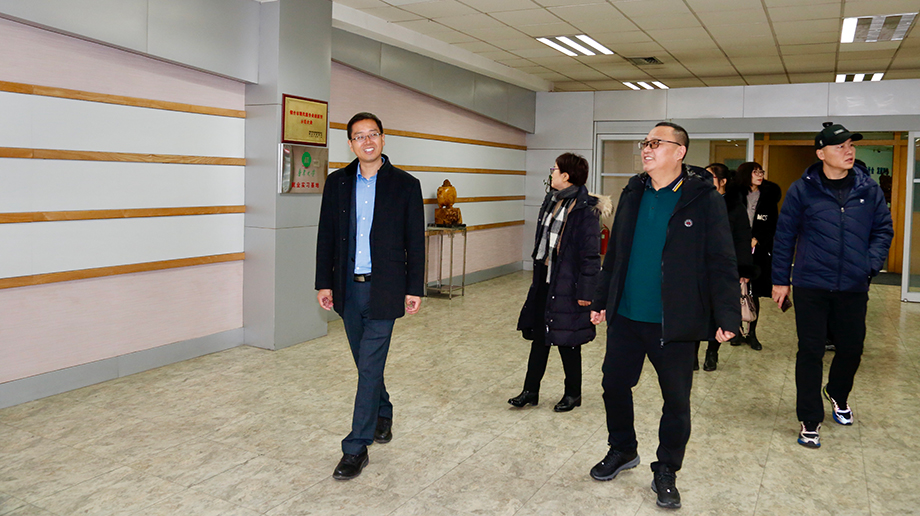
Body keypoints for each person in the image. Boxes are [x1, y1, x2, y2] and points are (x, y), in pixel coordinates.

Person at [588, 122, 740, 509]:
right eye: (645, 142)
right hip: (626, 314)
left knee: (676, 400)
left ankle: (667, 469)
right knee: (613, 385)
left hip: (674, 321)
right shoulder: (633, 191)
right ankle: (623, 448)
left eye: (657, 143)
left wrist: (727, 314)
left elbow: (722, 260)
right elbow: (616, 253)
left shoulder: (702, 198)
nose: (647, 148)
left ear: (680, 151)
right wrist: (602, 298)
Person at [315, 112, 425, 480]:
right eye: (359, 136)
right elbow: (326, 236)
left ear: (383, 139)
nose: (367, 141)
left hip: (385, 288)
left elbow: (415, 242)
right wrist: (324, 282)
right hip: (347, 288)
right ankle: (383, 411)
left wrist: (414, 288)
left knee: (368, 366)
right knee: (366, 364)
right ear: (350, 144)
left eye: (373, 134)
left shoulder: (405, 185)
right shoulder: (337, 183)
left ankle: (355, 447)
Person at [772, 122, 892, 449]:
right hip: (812, 283)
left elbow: (883, 229)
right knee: (810, 351)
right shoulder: (802, 190)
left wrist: (869, 265)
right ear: (821, 154)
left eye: (851, 145)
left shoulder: (868, 189)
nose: (849, 151)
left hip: (853, 284)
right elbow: (784, 236)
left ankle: (837, 392)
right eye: (840, 147)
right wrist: (780, 280)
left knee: (852, 349)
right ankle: (810, 418)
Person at [510, 153, 611, 412]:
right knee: (539, 338)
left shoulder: (585, 209)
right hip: (545, 281)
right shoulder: (551, 200)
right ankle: (530, 391)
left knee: (569, 341)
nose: (551, 173)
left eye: (554, 169)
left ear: (566, 176)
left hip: (570, 285)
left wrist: (587, 292)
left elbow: (590, 256)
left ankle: (573, 394)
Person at [694, 163, 756, 371]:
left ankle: (712, 353)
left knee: (717, 311)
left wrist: (743, 269)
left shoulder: (735, 207)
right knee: (695, 310)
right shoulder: (696, 203)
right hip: (697, 267)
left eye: (709, 177)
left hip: (722, 268)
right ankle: (691, 354)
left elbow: (742, 239)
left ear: (723, 182)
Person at [733, 161, 781, 351]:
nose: (760, 175)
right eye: (755, 172)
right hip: (736, 249)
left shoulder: (768, 196)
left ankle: (752, 333)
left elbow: (772, 224)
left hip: (757, 250)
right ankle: (736, 331)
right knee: (736, 291)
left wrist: (757, 239)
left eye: (761, 172)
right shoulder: (735, 195)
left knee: (753, 292)